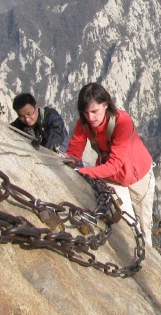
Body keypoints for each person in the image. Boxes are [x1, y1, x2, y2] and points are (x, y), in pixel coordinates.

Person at [65, 83, 155, 246]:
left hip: (139, 177)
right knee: (128, 224)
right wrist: (68, 161)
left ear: (106, 104)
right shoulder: (84, 124)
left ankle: (148, 260)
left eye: (94, 111)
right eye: (86, 112)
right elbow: (74, 150)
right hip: (112, 177)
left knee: (144, 226)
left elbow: (115, 164)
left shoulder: (122, 121)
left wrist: (84, 171)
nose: (90, 118)